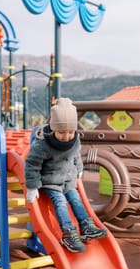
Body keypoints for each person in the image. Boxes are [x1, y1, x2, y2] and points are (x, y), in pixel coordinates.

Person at [25, 98, 107, 253]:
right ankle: (68, 233)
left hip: (68, 180)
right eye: (61, 132)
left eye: (70, 131)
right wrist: (32, 186)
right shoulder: (43, 145)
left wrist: (79, 169)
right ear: (53, 128)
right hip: (51, 182)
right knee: (61, 202)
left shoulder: (74, 140)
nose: (66, 136)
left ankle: (86, 225)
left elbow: (76, 156)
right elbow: (32, 164)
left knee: (76, 199)